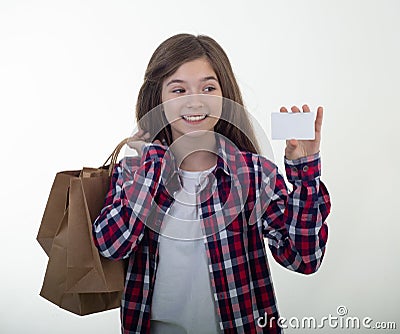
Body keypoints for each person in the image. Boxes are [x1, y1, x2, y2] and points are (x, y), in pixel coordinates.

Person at [92, 33, 331, 334]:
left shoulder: (254, 174)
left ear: (224, 96)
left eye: (208, 87)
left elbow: (303, 259)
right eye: (178, 90)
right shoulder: (133, 172)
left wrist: (305, 174)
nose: (195, 101)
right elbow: (111, 245)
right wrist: (153, 164)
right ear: (158, 100)